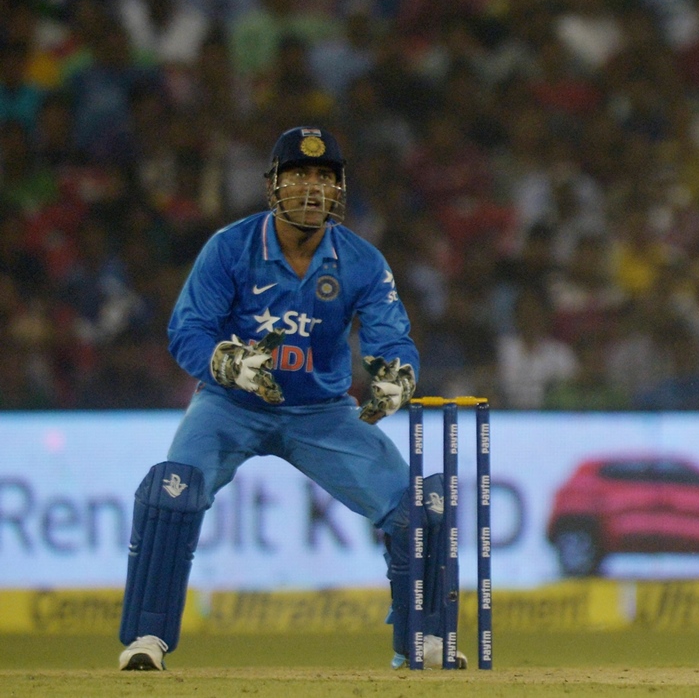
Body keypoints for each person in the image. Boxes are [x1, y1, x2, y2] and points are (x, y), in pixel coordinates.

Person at [117, 126, 457, 671]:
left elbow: (391, 337)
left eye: (325, 177)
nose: (312, 188)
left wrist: (397, 373)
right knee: (171, 493)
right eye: (299, 174)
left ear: (339, 188)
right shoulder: (230, 247)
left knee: (418, 509)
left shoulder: (362, 261)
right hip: (231, 406)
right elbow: (187, 332)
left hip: (322, 413)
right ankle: (145, 641)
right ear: (273, 184)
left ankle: (423, 641)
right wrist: (227, 363)